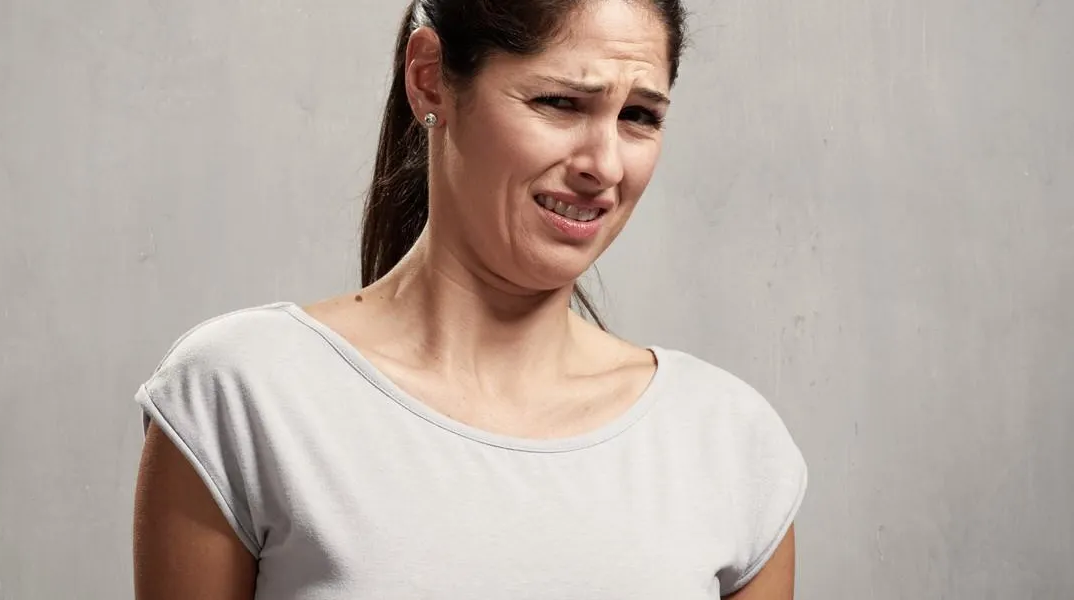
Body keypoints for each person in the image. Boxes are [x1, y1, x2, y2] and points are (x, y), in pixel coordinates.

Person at [131, 0, 808, 598]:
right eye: (561, 102)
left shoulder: (727, 442)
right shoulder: (245, 395)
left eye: (638, 116)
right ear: (431, 79)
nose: (604, 165)